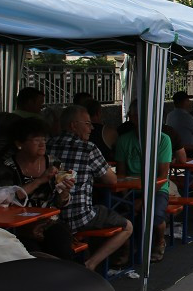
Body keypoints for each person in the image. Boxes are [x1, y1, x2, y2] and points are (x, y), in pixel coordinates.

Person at [0, 116, 75, 260]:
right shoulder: (7, 166)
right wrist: (39, 181)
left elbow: (59, 202)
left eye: (44, 139)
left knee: (62, 249)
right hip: (18, 226)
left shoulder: (53, 162)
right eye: (36, 140)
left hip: (49, 223)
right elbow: (7, 199)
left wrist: (65, 191)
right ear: (19, 143)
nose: (42, 144)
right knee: (27, 255)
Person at [48, 105, 133, 270]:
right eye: (87, 123)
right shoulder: (88, 149)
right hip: (80, 216)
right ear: (73, 126)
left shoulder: (48, 144)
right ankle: (91, 264)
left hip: (52, 217)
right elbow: (112, 180)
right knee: (127, 226)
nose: (92, 127)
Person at [114, 105, 172, 262]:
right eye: (137, 116)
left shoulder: (163, 140)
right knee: (119, 214)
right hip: (131, 188)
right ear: (131, 118)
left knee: (155, 215)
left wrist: (145, 199)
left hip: (157, 189)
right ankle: (127, 248)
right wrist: (125, 195)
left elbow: (162, 176)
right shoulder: (124, 140)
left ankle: (159, 242)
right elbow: (121, 173)